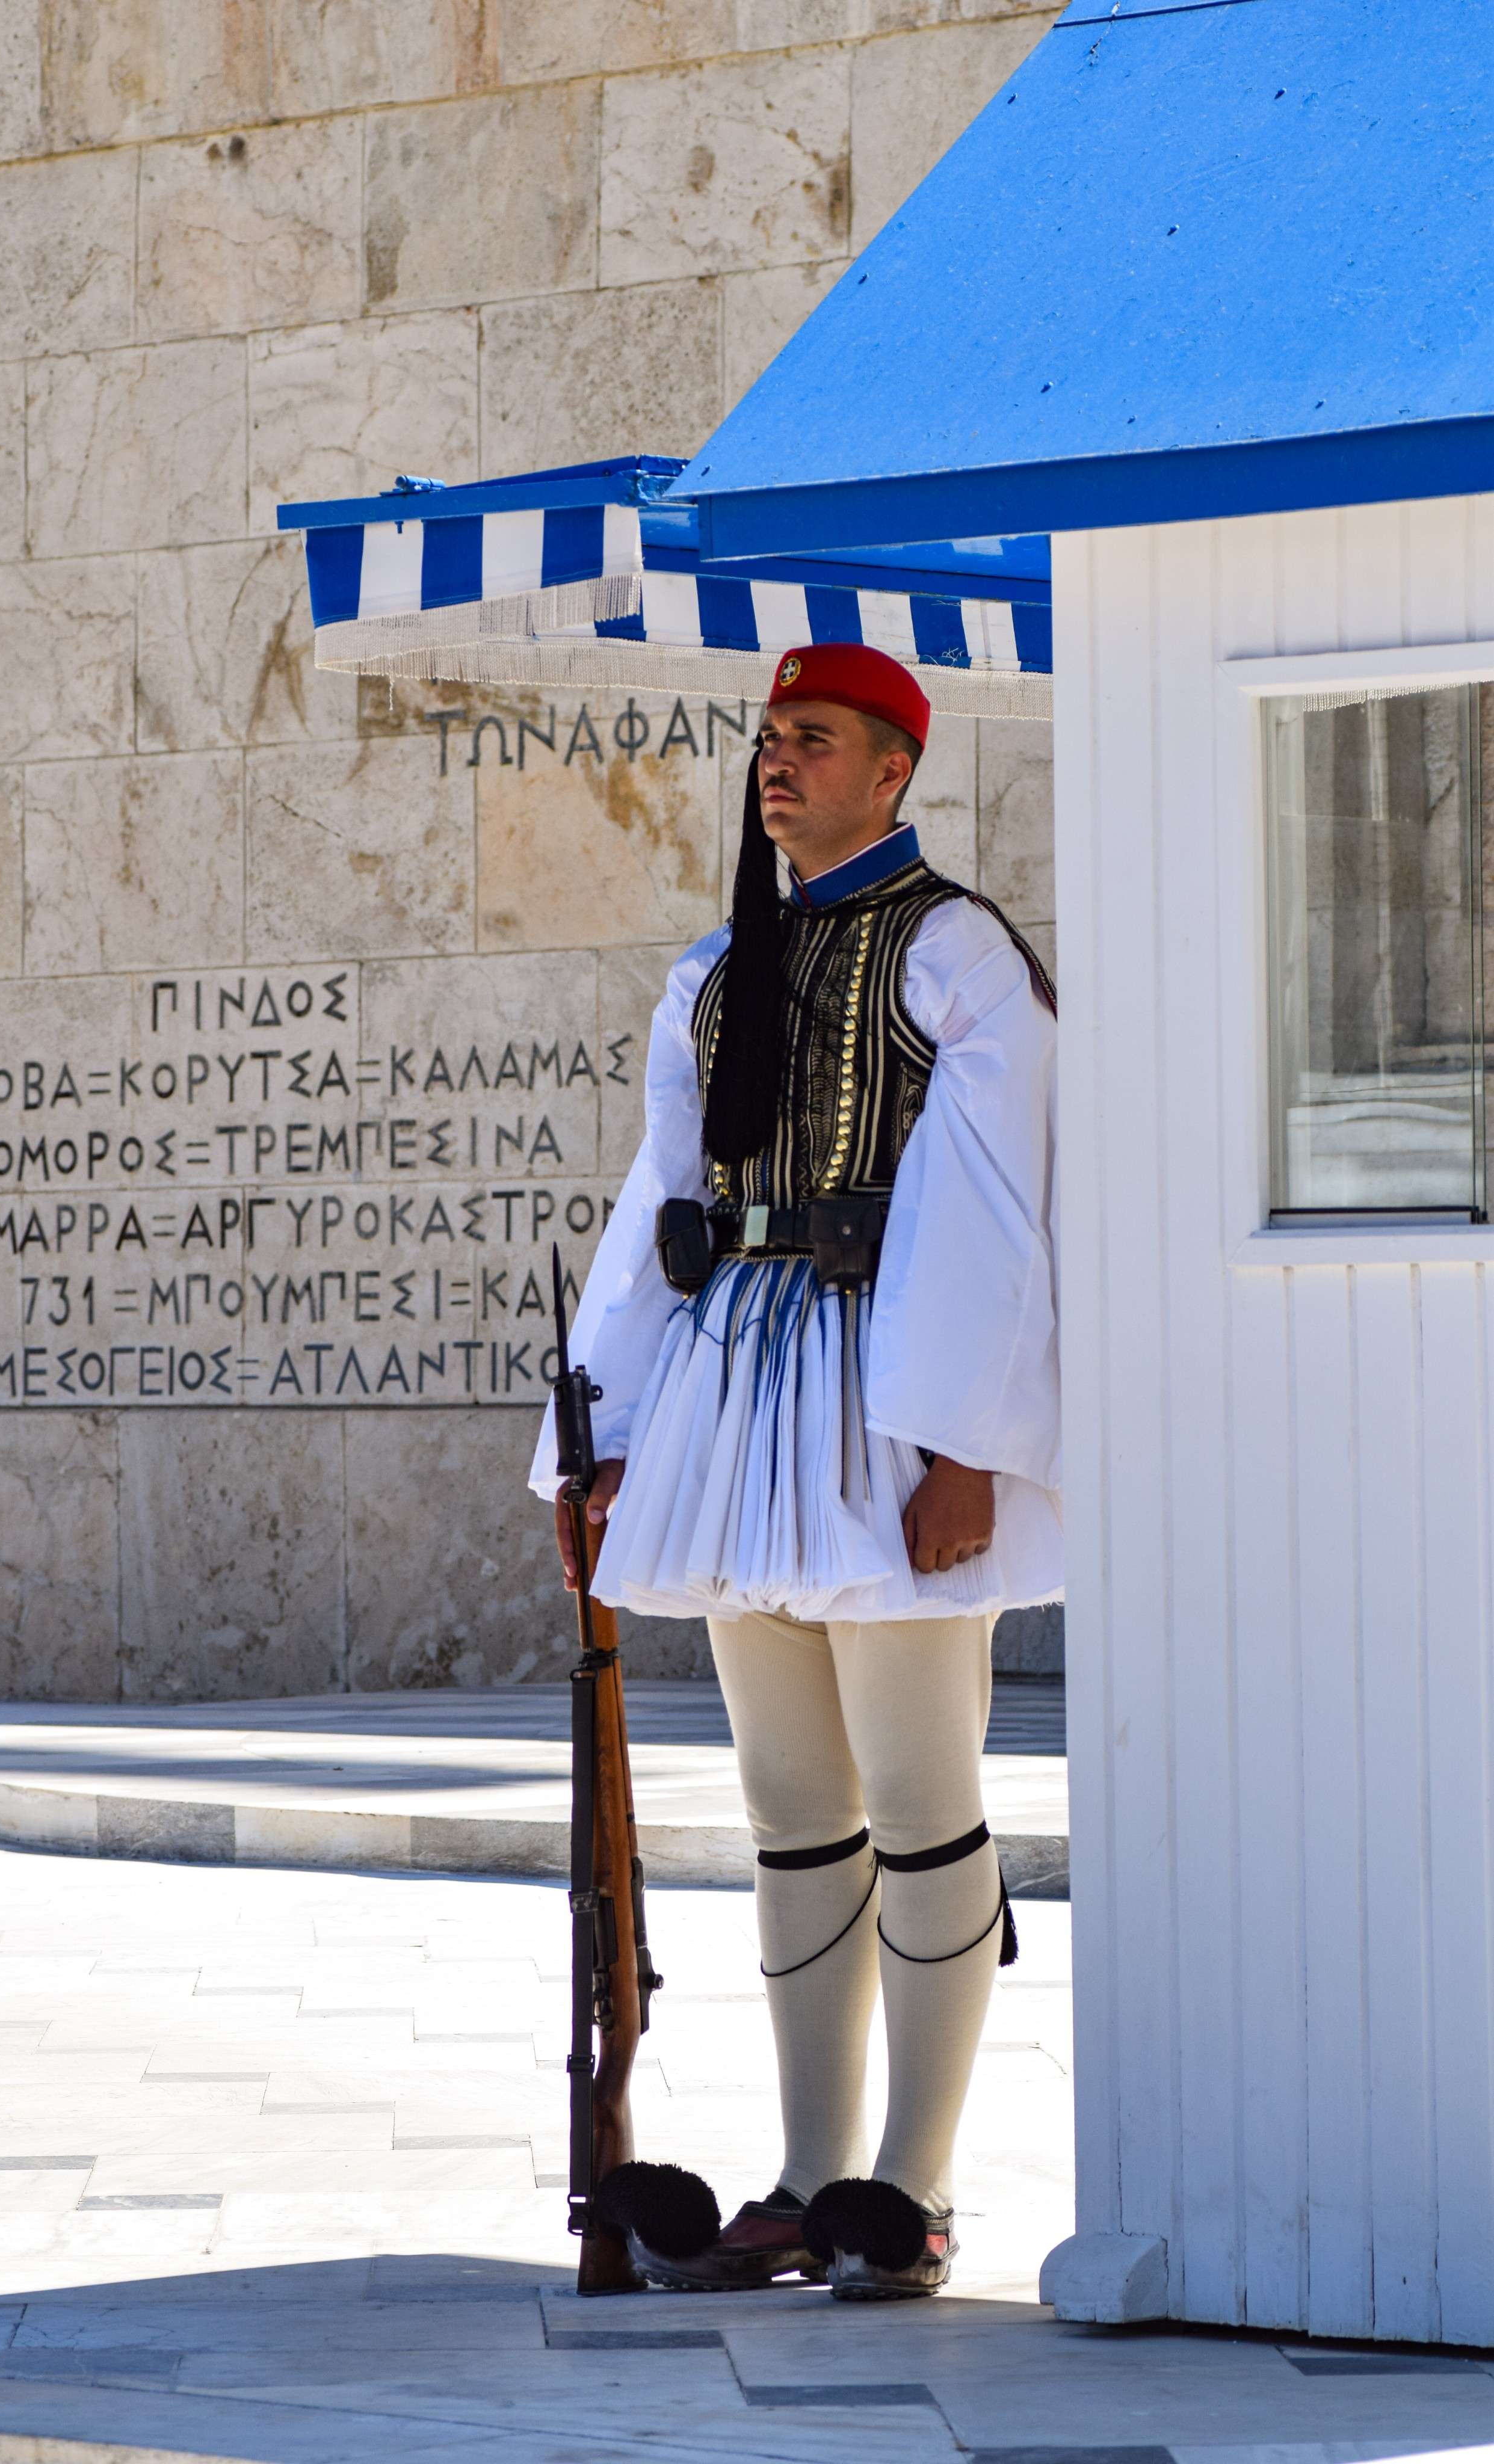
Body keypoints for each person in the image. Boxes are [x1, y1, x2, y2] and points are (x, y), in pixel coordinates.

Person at [531, 642, 1060, 2300]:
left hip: (895, 1391)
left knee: (918, 1795)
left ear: (893, 767)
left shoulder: (955, 951)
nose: (776, 765)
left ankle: (913, 2187)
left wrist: (965, 1441)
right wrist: (597, 1442)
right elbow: (652, 1212)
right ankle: (808, 2174)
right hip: (741, 1390)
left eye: (811, 742)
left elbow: (995, 1207)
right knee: (788, 1810)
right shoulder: (712, 969)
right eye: (766, 741)